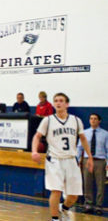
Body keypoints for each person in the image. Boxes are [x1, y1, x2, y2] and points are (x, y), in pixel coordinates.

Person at [31, 93, 94, 221]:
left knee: (74, 195)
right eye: (56, 101)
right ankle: (55, 219)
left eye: (61, 101)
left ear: (67, 104)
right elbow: (37, 136)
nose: (58, 103)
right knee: (56, 191)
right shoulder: (47, 120)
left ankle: (64, 208)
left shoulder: (76, 120)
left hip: (71, 159)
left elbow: (83, 139)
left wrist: (90, 157)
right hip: (54, 160)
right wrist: (34, 151)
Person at [77, 113, 108, 215]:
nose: (93, 120)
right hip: (87, 161)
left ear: (99, 121)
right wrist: (77, 160)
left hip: (100, 161)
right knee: (87, 183)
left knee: (100, 184)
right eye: (91, 118)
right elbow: (79, 147)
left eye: (95, 119)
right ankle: (88, 204)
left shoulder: (105, 134)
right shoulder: (84, 133)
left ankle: (99, 206)